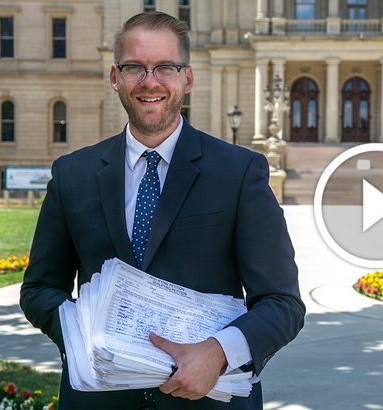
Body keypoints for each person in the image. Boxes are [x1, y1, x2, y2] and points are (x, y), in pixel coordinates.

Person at [20, 11, 305, 410]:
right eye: (134, 67)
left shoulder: (239, 173)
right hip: (100, 400)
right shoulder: (72, 174)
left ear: (187, 78)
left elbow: (281, 303)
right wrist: (83, 335)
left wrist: (220, 352)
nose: (149, 81)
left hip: (207, 400)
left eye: (165, 67)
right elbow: (39, 289)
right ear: (114, 76)